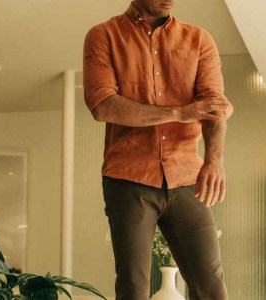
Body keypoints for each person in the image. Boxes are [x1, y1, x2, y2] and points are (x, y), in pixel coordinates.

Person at [83, 0, 233, 299]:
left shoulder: (198, 39)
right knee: (133, 285)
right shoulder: (104, 35)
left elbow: (213, 108)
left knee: (210, 283)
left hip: (188, 178)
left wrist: (214, 160)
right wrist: (182, 113)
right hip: (128, 179)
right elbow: (103, 106)